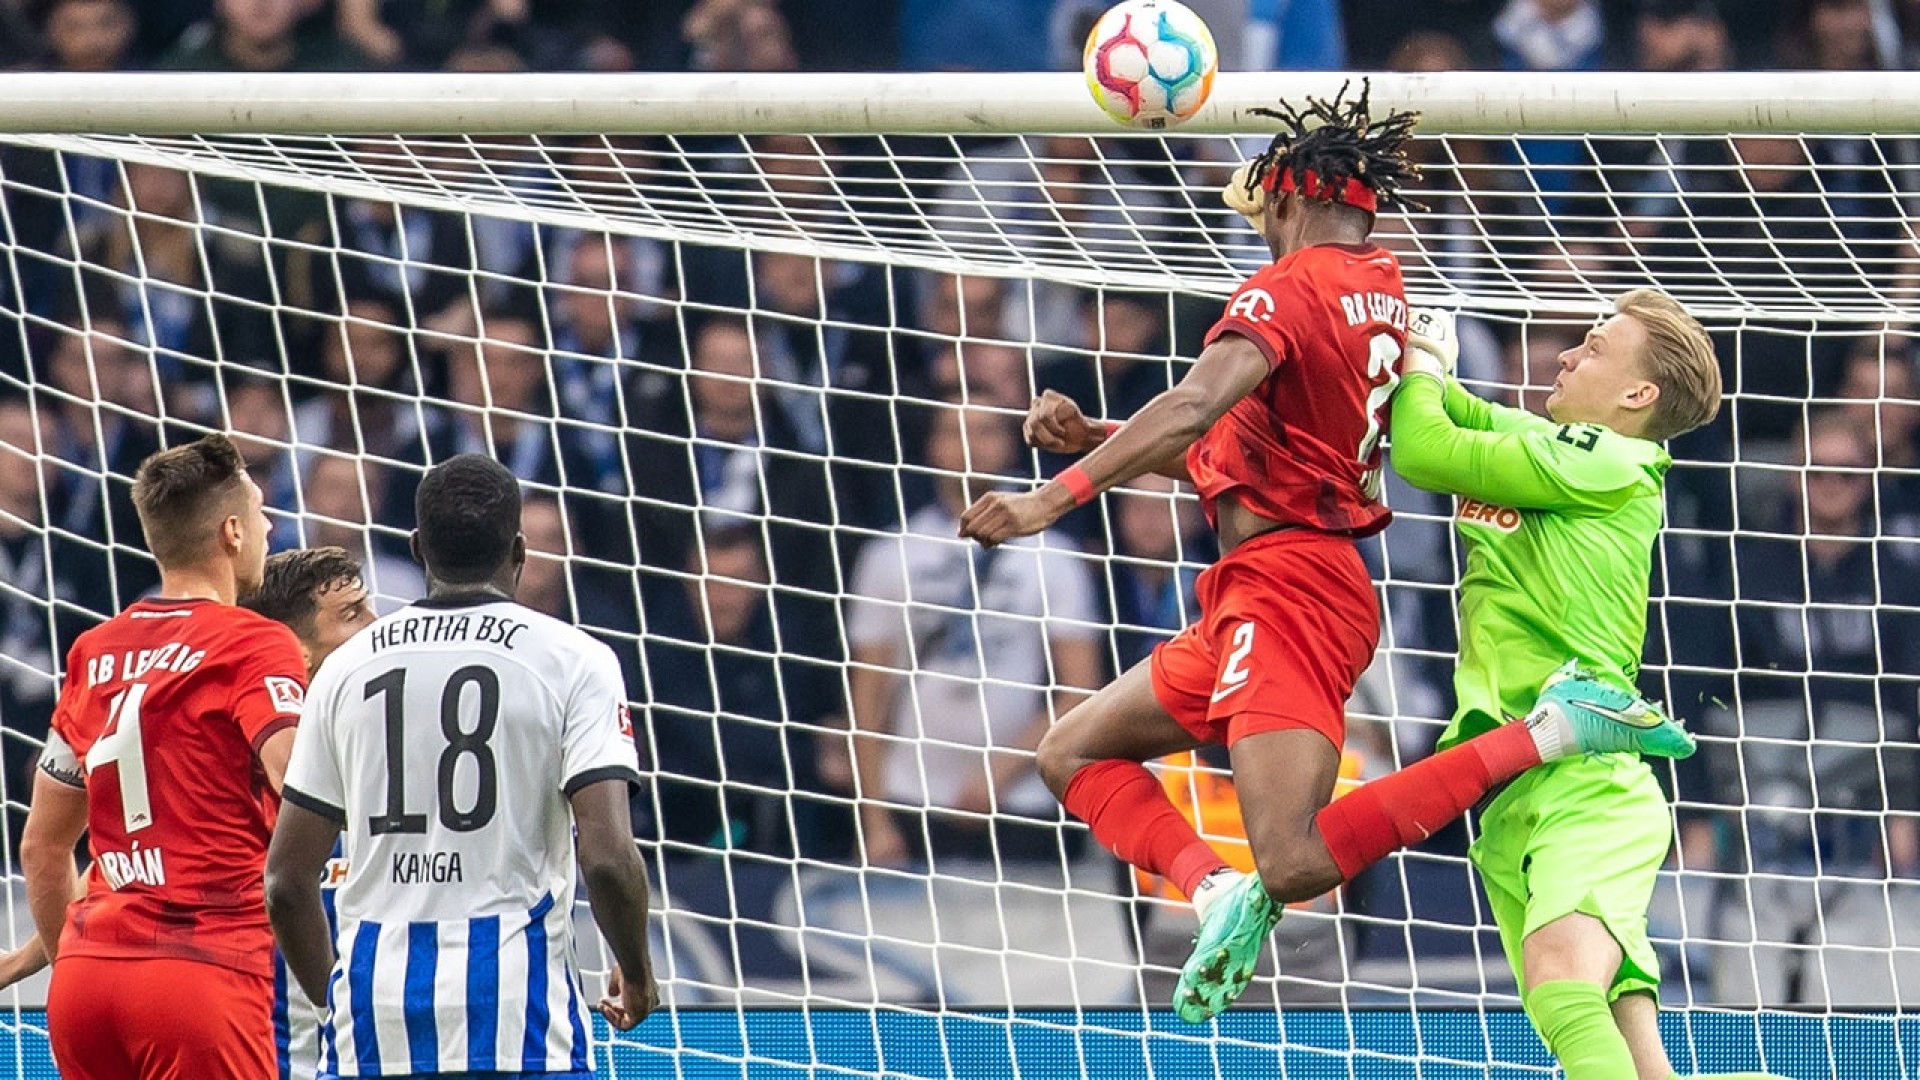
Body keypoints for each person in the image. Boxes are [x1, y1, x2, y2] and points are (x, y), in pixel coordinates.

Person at [956, 84, 1694, 1023]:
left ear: (1289, 200)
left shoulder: (1289, 287)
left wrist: (1049, 499)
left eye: (1260, 210)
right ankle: (1213, 892)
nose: (1257, 230)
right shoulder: (1380, 289)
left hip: (1292, 591)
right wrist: (1097, 433)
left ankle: (1549, 732)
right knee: (1072, 753)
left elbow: (1193, 406)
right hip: (1266, 585)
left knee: (1295, 859)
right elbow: (1253, 455)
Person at [1393, 301, 1783, 1079]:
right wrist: (1393, 343)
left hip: (1582, 774)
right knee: (1622, 1048)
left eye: (1594, 348)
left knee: (1561, 980)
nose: (1567, 357)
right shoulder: (1562, 444)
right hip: (1513, 786)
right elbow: (1464, 410)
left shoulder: (1608, 461)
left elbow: (1425, 447)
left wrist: (1422, 365)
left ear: (1637, 396)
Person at [265, 454, 657, 1076]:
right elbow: (607, 855)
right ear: (520, 551)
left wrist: (335, 1000)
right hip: (519, 1017)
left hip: (376, 1016)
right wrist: (635, 973)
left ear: (418, 547)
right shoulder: (576, 660)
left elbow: (286, 882)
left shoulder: (345, 668)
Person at [0, 546, 378, 1076]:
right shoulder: (254, 764)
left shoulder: (379, 747)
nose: (375, 626)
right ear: (295, 649)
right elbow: (127, 874)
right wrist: (24, 959)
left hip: (357, 1049)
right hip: (251, 1037)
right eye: (351, 614)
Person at [19, 433, 309, 1078]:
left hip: (85, 986)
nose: (270, 525)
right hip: (200, 976)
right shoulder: (255, 643)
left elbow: (42, 846)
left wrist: (69, 954)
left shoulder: (95, 652)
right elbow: (297, 781)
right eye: (260, 512)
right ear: (232, 532)